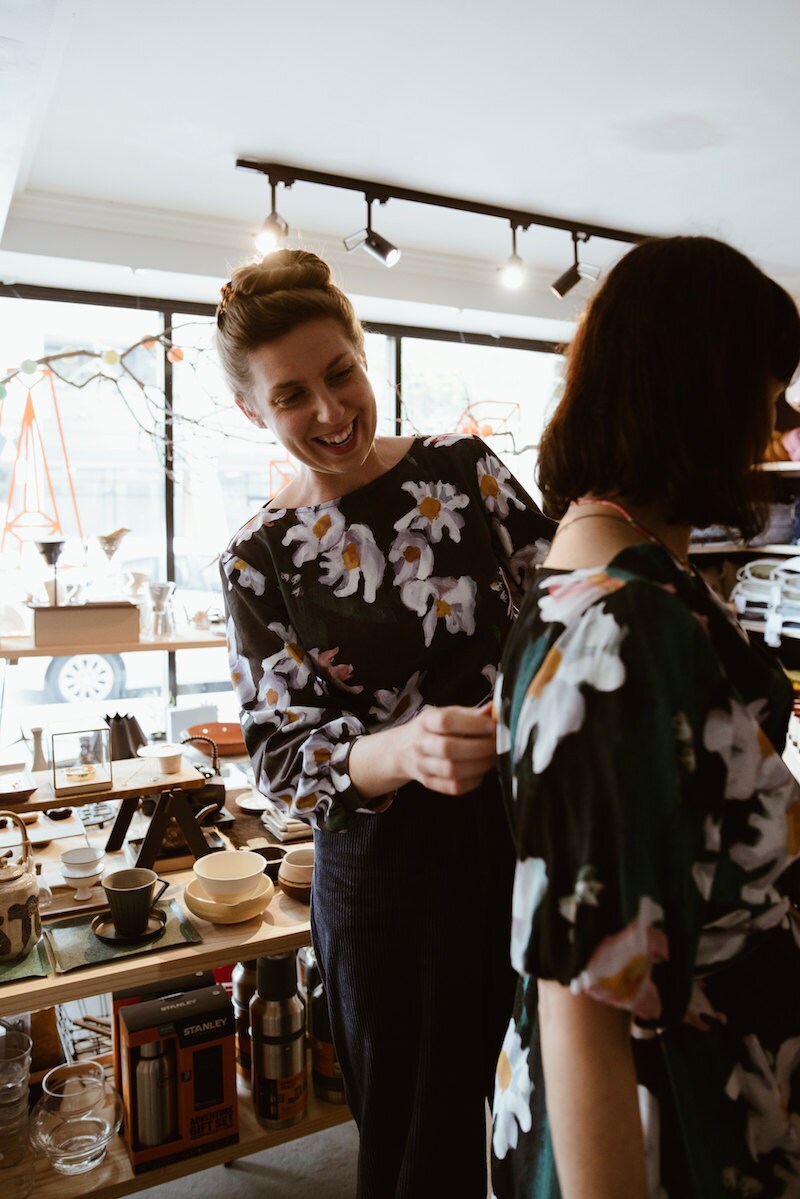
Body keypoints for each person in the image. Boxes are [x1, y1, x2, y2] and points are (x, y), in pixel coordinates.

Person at [215, 248, 555, 1198]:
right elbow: (280, 756)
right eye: (291, 397)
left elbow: (561, 607)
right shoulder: (257, 558)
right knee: (415, 1145)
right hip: (384, 886)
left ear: (366, 356)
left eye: (341, 373)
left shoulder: (465, 471)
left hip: (529, 838)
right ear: (253, 412)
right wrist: (400, 748)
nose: (330, 412)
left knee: (560, 1104)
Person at [490, 235, 800, 1199]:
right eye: (768, 388)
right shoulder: (629, 629)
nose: (778, 425)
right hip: (671, 1127)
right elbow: (584, 989)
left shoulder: (598, 573)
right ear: (700, 392)